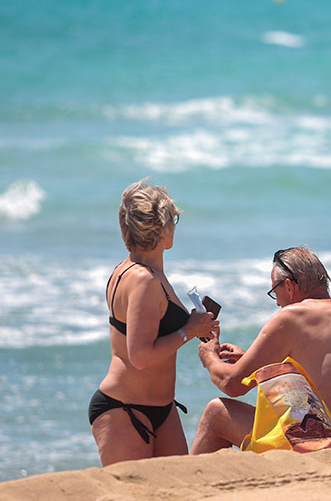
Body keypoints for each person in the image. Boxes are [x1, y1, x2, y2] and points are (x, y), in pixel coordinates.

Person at [191, 246, 331, 452]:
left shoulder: (291, 317)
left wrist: (209, 357)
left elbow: (231, 384)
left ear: (289, 286)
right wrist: (250, 359)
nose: (277, 303)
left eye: (275, 291)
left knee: (216, 412)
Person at [89, 179, 218, 467]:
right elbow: (141, 355)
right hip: (125, 409)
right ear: (160, 229)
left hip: (162, 407)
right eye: (173, 219)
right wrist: (188, 330)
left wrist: (197, 326)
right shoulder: (143, 280)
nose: (175, 226)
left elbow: (156, 329)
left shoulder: (142, 271)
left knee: (179, 491)